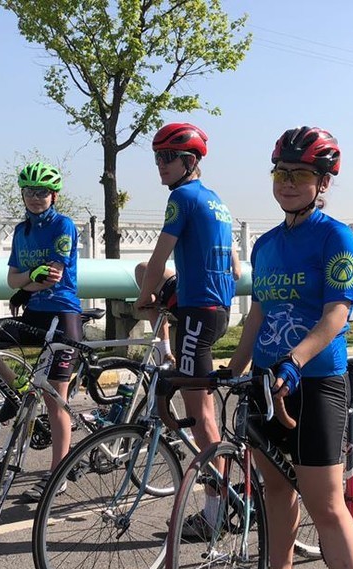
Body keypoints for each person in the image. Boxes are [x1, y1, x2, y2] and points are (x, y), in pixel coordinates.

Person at [227, 127, 353, 569]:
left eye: (299, 175)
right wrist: (232, 367)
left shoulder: (336, 238)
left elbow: (337, 312)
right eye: (280, 173)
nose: (287, 183)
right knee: (274, 488)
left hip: (315, 380)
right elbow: (259, 313)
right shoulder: (266, 245)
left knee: (326, 503)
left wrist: (295, 361)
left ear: (323, 183)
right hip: (269, 380)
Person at [135, 122, 236, 539]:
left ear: (189, 161)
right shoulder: (216, 200)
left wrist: (144, 300)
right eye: (156, 157)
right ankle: (166, 350)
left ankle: (216, 514)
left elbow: (161, 256)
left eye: (167, 157)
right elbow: (235, 267)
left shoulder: (181, 197)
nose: (160, 165)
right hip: (216, 308)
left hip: (198, 313)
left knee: (200, 417)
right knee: (143, 269)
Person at [4, 161, 81, 502]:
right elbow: (12, 280)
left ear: (54, 196)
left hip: (62, 314)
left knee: (55, 399)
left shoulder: (63, 225)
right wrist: (27, 281)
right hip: (35, 313)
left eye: (42, 192)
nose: (35, 198)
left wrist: (27, 280)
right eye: (29, 192)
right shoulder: (22, 231)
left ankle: (57, 475)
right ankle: (18, 390)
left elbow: (52, 275)